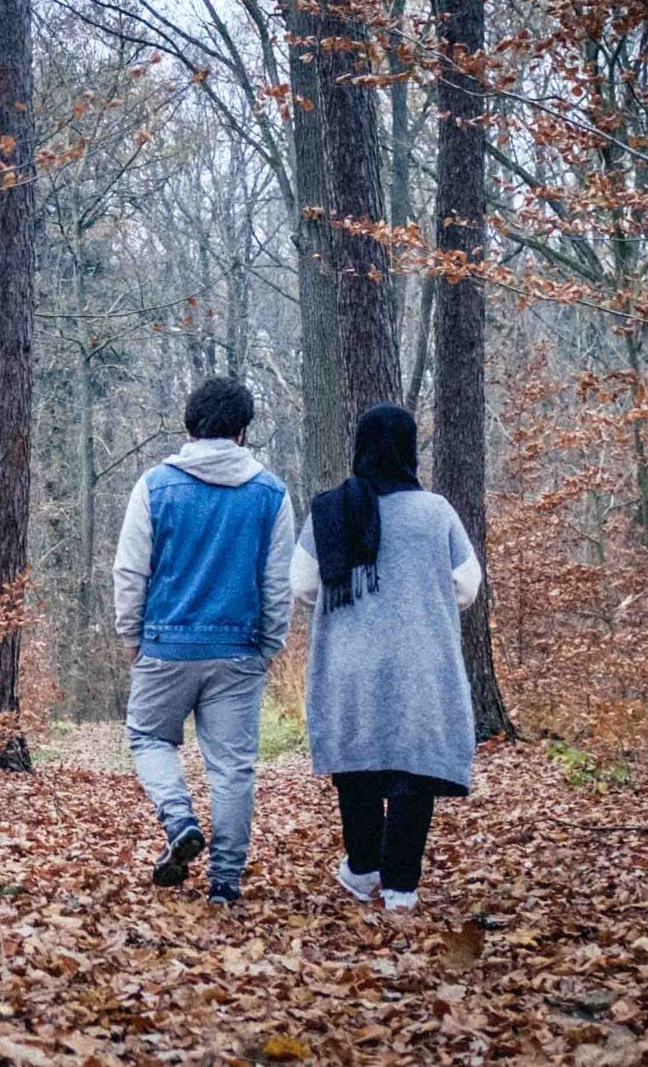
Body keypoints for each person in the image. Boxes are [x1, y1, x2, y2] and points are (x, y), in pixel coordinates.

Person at [291, 403, 483, 913]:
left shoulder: (330, 509)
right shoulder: (436, 512)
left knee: (356, 761)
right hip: (420, 659)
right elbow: (466, 586)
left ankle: (361, 868)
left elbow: (302, 583)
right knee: (412, 768)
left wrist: (349, 594)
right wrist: (420, 590)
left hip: (349, 659)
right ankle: (400, 887)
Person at [114, 377, 294, 906]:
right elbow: (275, 582)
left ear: (190, 425)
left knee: (148, 739)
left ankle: (178, 820)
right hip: (238, 647)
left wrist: (133, 635)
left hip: (166, 643)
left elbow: (131, 570)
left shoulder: (155, 485)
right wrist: (267, 645)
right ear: (243, 431)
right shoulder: (270, 493)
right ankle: (225, 881)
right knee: (232, 767)